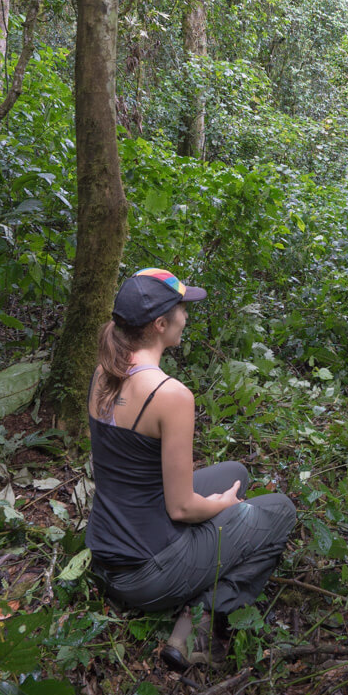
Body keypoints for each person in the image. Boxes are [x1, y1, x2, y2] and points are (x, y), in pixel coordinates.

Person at [85, 267, 296, 669]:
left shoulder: (103, 371)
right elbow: (181, 508)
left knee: (236, 471)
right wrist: (221, 505)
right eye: (182, 308)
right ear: (161, 324)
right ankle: (197, 616)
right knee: (279, 509)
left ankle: (197, 580)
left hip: (106, 552)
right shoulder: (171, 395)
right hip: (145, 574)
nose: (186, 315)